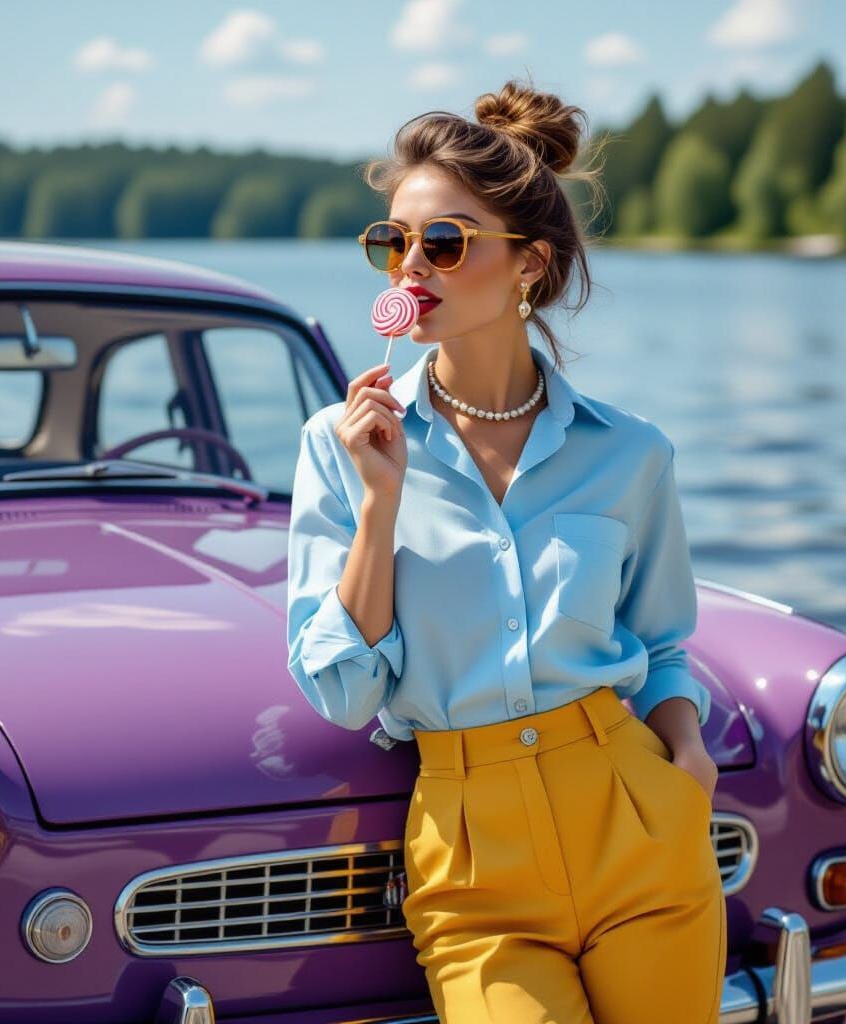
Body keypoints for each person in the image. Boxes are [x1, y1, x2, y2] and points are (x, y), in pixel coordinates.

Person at [287, 76, 726, 1024]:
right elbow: (343, 689)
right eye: (391, 243)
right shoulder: (344, 443)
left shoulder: (630, 454)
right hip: (471, 852)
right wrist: (379, 504)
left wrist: (687, 759)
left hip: (635, 820)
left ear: (528, 263)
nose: (411, 270)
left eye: (443, 243)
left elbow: (661, 646)